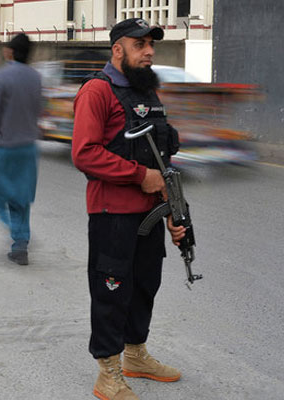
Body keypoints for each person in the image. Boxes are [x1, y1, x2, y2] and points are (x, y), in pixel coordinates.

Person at [71, 18, 187, 400]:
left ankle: (136, 355)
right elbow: (84, 154)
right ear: (118, 49)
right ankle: (108, 372)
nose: (150, 51)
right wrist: (139, 176)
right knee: (112, 290)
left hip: (149, 213)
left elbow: (163, 157)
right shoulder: (97, 92)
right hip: (112, 215)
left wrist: (172, 209)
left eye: (152, 45)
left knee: (145, 285)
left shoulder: (148, 93)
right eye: (140, 45)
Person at [0, 33, 42, 266]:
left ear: (11, 51)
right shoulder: (36, 77)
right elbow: (39, 110)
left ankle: (17, 232)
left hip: (7, 149)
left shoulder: (1, 76)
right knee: (21, 199)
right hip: (29, 149)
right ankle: (20, 246)